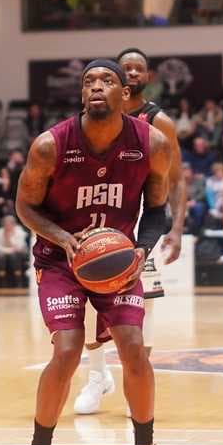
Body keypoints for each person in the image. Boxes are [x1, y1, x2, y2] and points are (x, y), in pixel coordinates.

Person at [15, 59, 178, 445]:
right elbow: (25, 206)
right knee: (67, 350)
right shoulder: (50, 145)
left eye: (107, 81)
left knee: (133, 348)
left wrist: (141, 251)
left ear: (125, 94)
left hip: (117, 258)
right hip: (60, 259)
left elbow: (159, 209)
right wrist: (62, 238)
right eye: (89, 82)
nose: (96, 87)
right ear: (81, 94)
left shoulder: (153, 144)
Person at [74, 48, 186, 415]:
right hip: (97, 223)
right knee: (90, 304)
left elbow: (176, 180)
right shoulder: (91, 119)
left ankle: (134, 377)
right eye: (126, 69)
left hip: (139, 227)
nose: (133, 73)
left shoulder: (159, 122)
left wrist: (176, 228)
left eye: (139, 68)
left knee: (142, 305)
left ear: (146, 78)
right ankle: (97, 376)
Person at [0, 214, 29, 287]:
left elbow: (19, 247)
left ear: (13, 224)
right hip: (5, 252)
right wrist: (9, 250)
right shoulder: (0, 232)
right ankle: (2, 281)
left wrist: (9, 238)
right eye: (5, 224)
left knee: (14, 256)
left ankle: (18, 281)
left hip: (19, 253)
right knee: (0, 256)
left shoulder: (19, 231)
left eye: (9, 223)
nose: (7, 226)